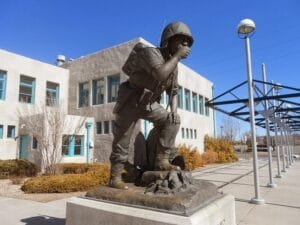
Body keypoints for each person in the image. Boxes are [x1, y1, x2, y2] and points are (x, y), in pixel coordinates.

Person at [109, 21, 194, 189]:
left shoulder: (173, 66)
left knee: (172, 121)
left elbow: (174, 92)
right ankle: (115, 177)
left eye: (187, 42)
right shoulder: (150, 53)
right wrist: (177, 57)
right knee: (122, 143)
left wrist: (173, 112)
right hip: (131, 102)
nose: (185, 44)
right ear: (168, 40)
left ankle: (162, 160)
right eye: (181, 40)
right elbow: (160, 74)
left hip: (149, 104)